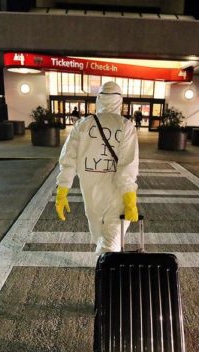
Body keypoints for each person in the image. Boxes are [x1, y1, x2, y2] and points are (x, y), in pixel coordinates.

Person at [55, 81, 139, 255]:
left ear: (98, 99)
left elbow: (68, 160)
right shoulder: (126, 126)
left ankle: (105, 275)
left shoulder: (82, 125)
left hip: (92, 200)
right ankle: (107, 277)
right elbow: (127, 166)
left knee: (103, 244)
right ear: (120, 100)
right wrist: (130, 198)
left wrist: (62, 189)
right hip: (118, 199)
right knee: (109, 246)